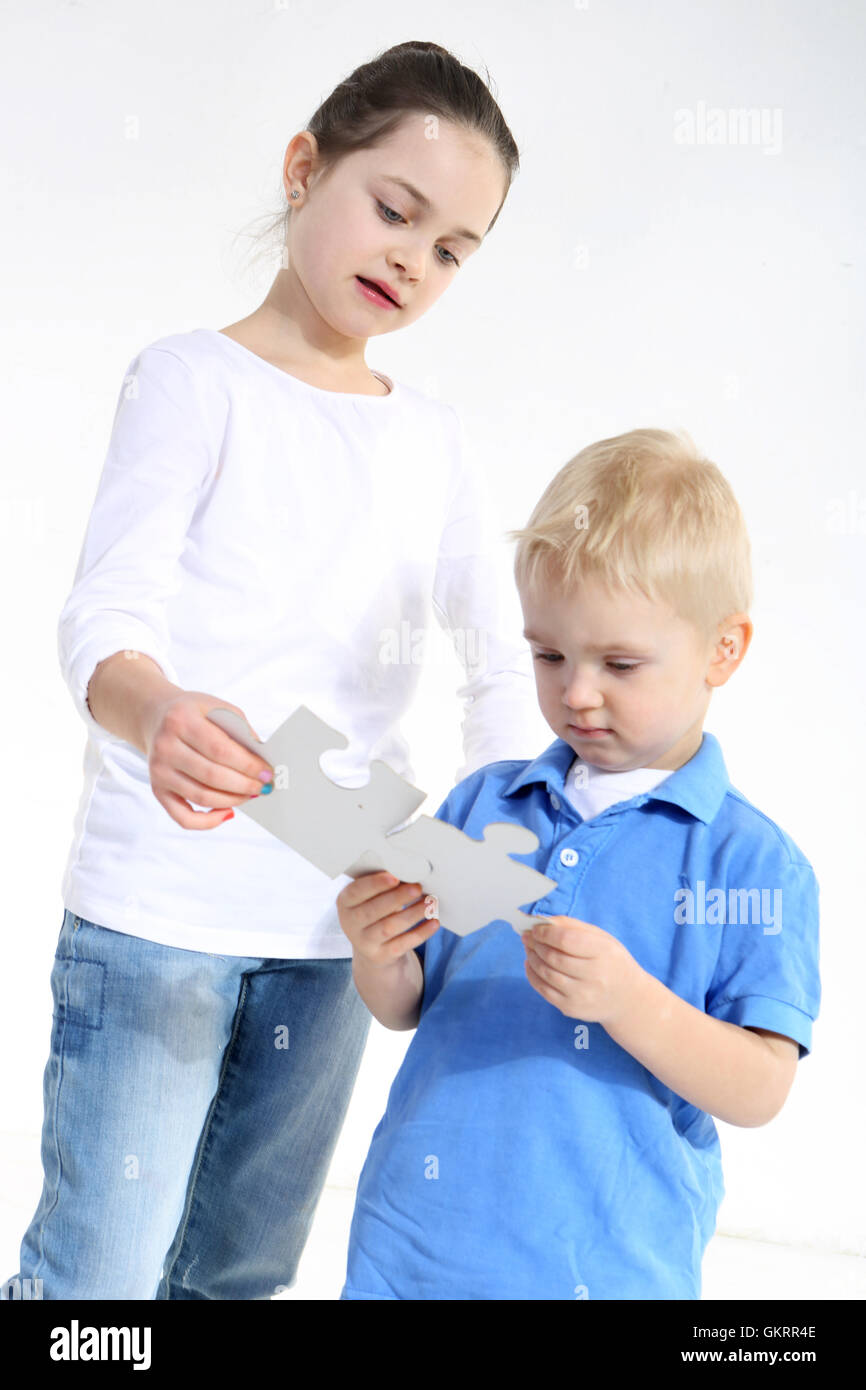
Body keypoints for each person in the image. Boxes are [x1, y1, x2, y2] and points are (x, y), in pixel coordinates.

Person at [7, 41, 544, 1301]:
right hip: (158, 920)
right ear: (305, 169)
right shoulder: (193, 383)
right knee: (99, 1277)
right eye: (393, 209)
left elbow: (495, 664)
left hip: (341, 925)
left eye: (452, 248)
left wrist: (515, 827)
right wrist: (158, 711)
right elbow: (104, 618)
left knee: (241, 1272)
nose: (413, 259)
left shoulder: (434, 445)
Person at [336, 427, 821, 1300]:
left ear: (724, 651)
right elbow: (409, 1008)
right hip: (409, 1249)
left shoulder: (750, 863)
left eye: (620, 663)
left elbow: (759, 1089)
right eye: (548, 654)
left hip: (605, 1273)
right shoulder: (483, 805)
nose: (576, 692)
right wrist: (379, 953)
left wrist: (630, 1002)